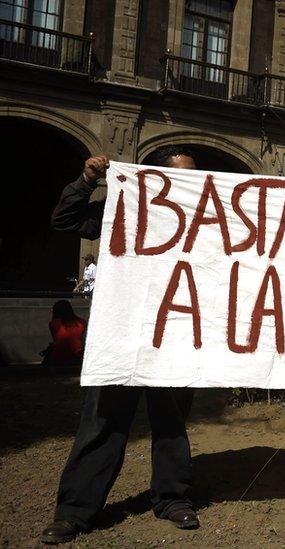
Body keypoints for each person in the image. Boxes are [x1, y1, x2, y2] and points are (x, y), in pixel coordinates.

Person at [42, 147, 200, 545]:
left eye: (194, 176)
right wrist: (86, 182)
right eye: (180, 175)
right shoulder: (121, 211)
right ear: (154, 178)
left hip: (176, 333)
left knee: (172, 422)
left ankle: (173, 498)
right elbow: (64, 220)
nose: (190, 183)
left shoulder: (205, 221)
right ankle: (75, 511)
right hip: (122, 333)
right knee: (103, 422)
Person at [43, 300, 87, 366]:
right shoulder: (82, 322)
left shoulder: (54, 323)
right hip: (77, 357)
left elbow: (57, 340)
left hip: (59, 358)